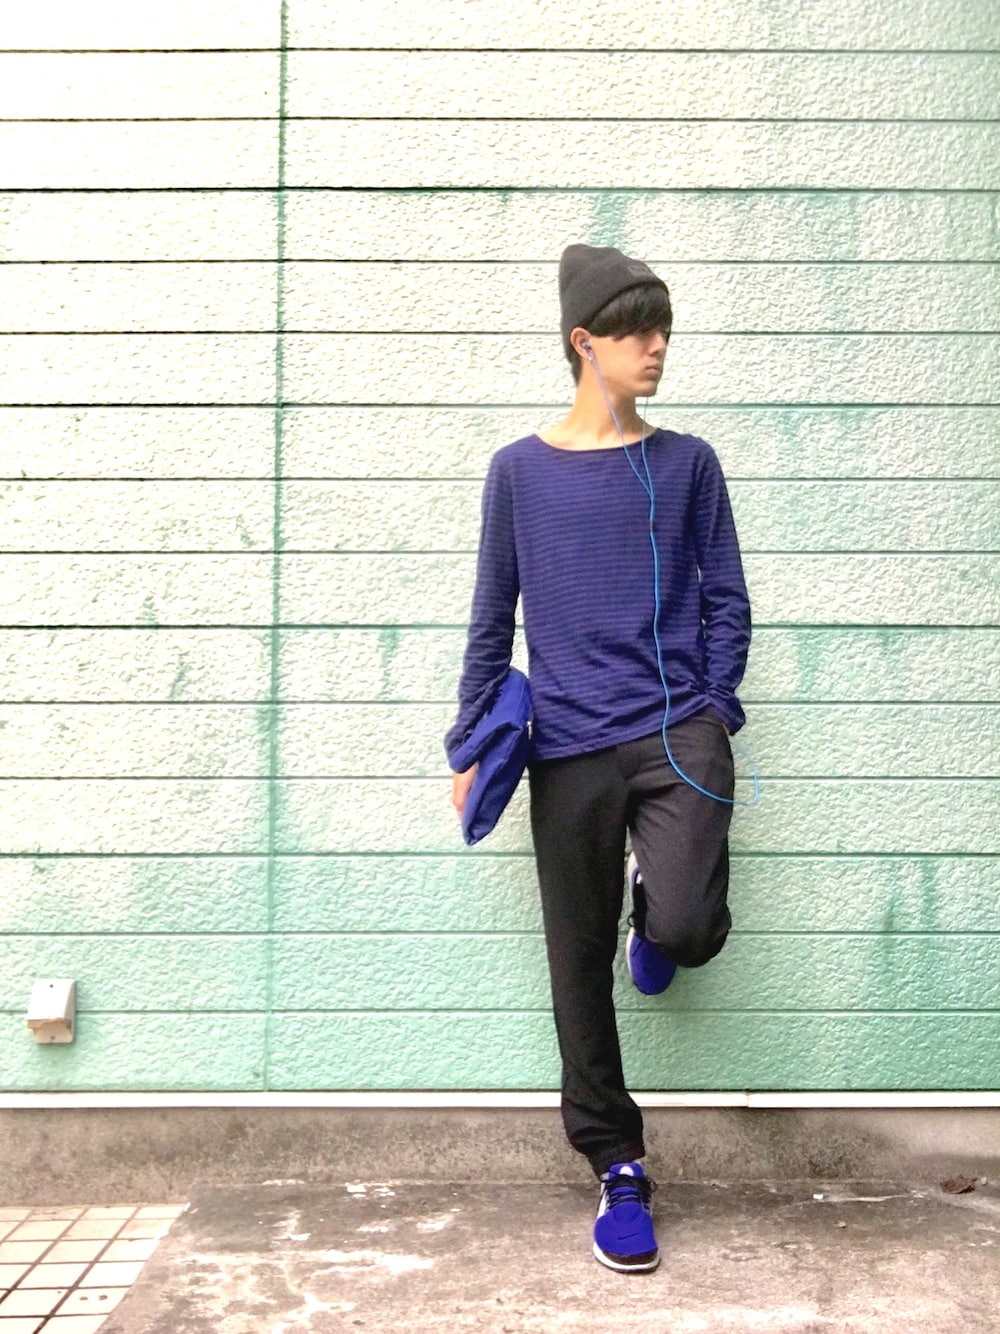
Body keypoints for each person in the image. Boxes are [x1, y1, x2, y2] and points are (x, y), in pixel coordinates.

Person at [445, 244, 751, 1272]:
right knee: (576, 961)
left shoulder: (689, 463)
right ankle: (617, 1164)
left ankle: (655, 920)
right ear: (586, 342)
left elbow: (726, 597)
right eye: (637, 331)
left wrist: (715, 706)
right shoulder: (518, 473)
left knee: (688, 924)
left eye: (663, 329)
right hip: (568, 745)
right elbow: (491, 614)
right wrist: (467, 739)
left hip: (677, 733)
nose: (657, 347)